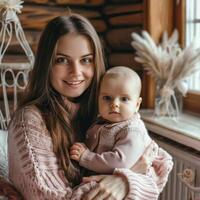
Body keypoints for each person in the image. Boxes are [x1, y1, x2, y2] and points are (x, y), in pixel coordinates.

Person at [7, 12, 173, 200]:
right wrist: (131, 174)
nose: (76, 72)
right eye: (62, 60)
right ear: (47, 64)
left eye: (86, 60)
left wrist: (124, 182)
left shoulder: (105, 109)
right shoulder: (29, 121)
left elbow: (160, 161)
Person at [70, 66, 159, 175]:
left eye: (124, 99)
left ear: (137, 104)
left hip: (120, 185)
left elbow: (120, 163)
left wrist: (86, 157)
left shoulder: (132, 130)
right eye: (107, 98)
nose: (114, 104)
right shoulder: (102, 121)